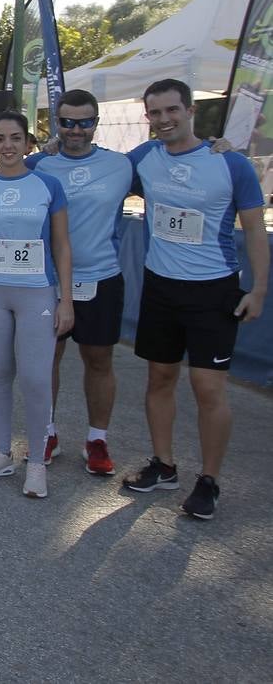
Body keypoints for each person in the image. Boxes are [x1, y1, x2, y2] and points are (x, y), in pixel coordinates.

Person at [122, 78, 267, 520]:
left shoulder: (230, 163)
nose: (164, 119)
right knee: (160, 378)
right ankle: (164, 465)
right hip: (161, 287)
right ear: (148, 118)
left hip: (213, 290)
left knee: (208, 388)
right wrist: (51, 147)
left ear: (190, 111)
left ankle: (209, 480)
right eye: (155, 113)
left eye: (172, 110)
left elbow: (255, 230)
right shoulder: (144, 158)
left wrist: (259, 289)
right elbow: (95, 168)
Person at [0, 111, 73, 499]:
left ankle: (36, 461)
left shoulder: (47, 185)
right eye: (0, 139)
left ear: (27, 143)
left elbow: (62, 246)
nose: (7, 146)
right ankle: (2, 453)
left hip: (37, 292)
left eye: (15, 138)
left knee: (36, 379)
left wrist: (66, 300)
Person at [24, 90, 133, 475]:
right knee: (47, 359)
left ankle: (97, 439)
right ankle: (47, 432)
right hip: (49, 281)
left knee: (99, 360)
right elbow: (5, 174)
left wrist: (214, 144)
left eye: (84, 122)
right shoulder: (39, 164)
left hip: (101, 277)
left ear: (96, 123)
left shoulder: (123, 165)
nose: (75, 129)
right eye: (67, 122)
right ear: (57, 122)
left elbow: (171, 158)